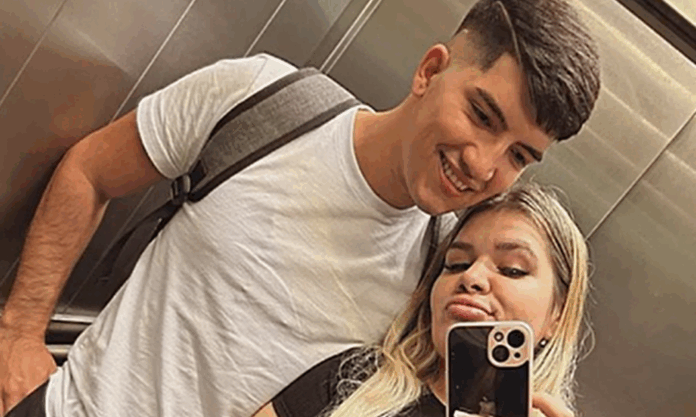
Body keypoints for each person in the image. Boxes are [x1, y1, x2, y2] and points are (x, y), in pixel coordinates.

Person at [0, 0, 600, 416]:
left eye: (518, 154)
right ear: (430, 70)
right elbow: (90, 172)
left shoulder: (446, 269)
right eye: (482, 115)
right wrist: (19, 333)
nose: (483, 165)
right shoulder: (264, 101)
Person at [253, 182, 591, 417]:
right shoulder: (357, 377)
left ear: (558, 314)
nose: (471, 277)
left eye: (511, 269)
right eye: (456, 263)